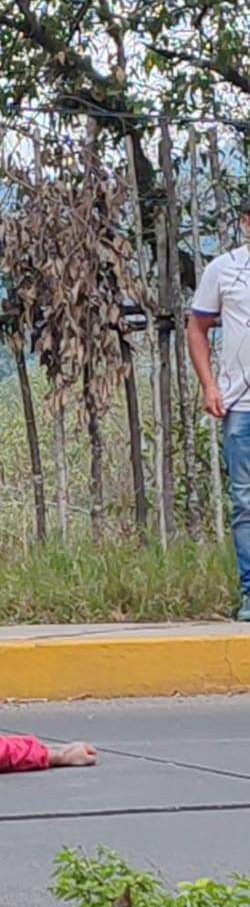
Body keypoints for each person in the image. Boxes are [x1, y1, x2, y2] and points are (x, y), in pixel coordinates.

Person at [187, 200, 250, 620]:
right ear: (246, 223)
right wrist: (209, 384)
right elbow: (197, 325)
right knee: (245, 501)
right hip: (241, 405)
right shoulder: (223, 269)